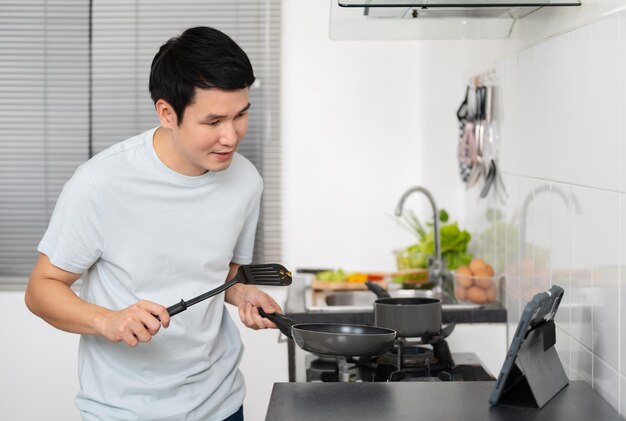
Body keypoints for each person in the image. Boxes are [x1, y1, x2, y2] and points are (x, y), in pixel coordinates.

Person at [24, 26, 281, 421]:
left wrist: (240, 291)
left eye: (241, 114)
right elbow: (41, 289)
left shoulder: (245, 180)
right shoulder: (100, 183)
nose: (231, 136)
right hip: (124, 411)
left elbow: (221, 269)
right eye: (213, 121)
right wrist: (107, 320)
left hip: (222, 403)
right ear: (167, 113)